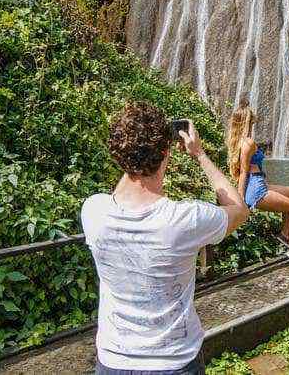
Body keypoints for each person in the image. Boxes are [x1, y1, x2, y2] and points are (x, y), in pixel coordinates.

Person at [81, 101, 249, 375]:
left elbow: (119, 196)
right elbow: (239, 210)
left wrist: (131, 157)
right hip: (174, 363)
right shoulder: (185, 219)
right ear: (165, 153)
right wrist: (200, 154)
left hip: (113, 362)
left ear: (118, 154)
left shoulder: (93, 211)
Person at [227, 101, 289, 268]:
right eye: (252, 121)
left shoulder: (237, 142)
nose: (253, 124)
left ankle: (284, 235)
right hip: (256, 188)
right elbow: (244, 173)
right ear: (246, 123)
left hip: (257, 182)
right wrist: (240, 201)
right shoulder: (248, 143)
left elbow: (243, 172)